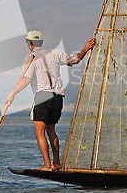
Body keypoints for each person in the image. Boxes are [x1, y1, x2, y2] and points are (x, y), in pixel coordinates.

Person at [5, 30, 95, 171]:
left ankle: (47, 165)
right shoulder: (55, 53)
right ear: (41, 42)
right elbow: (75, 59)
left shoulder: (31, 59)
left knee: (39, 132)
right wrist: (85, 49)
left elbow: (26, 80)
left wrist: (12, 93)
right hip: (57, 97)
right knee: (51, 131)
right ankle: (57, 163)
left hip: (43, 96)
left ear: (29, 44)